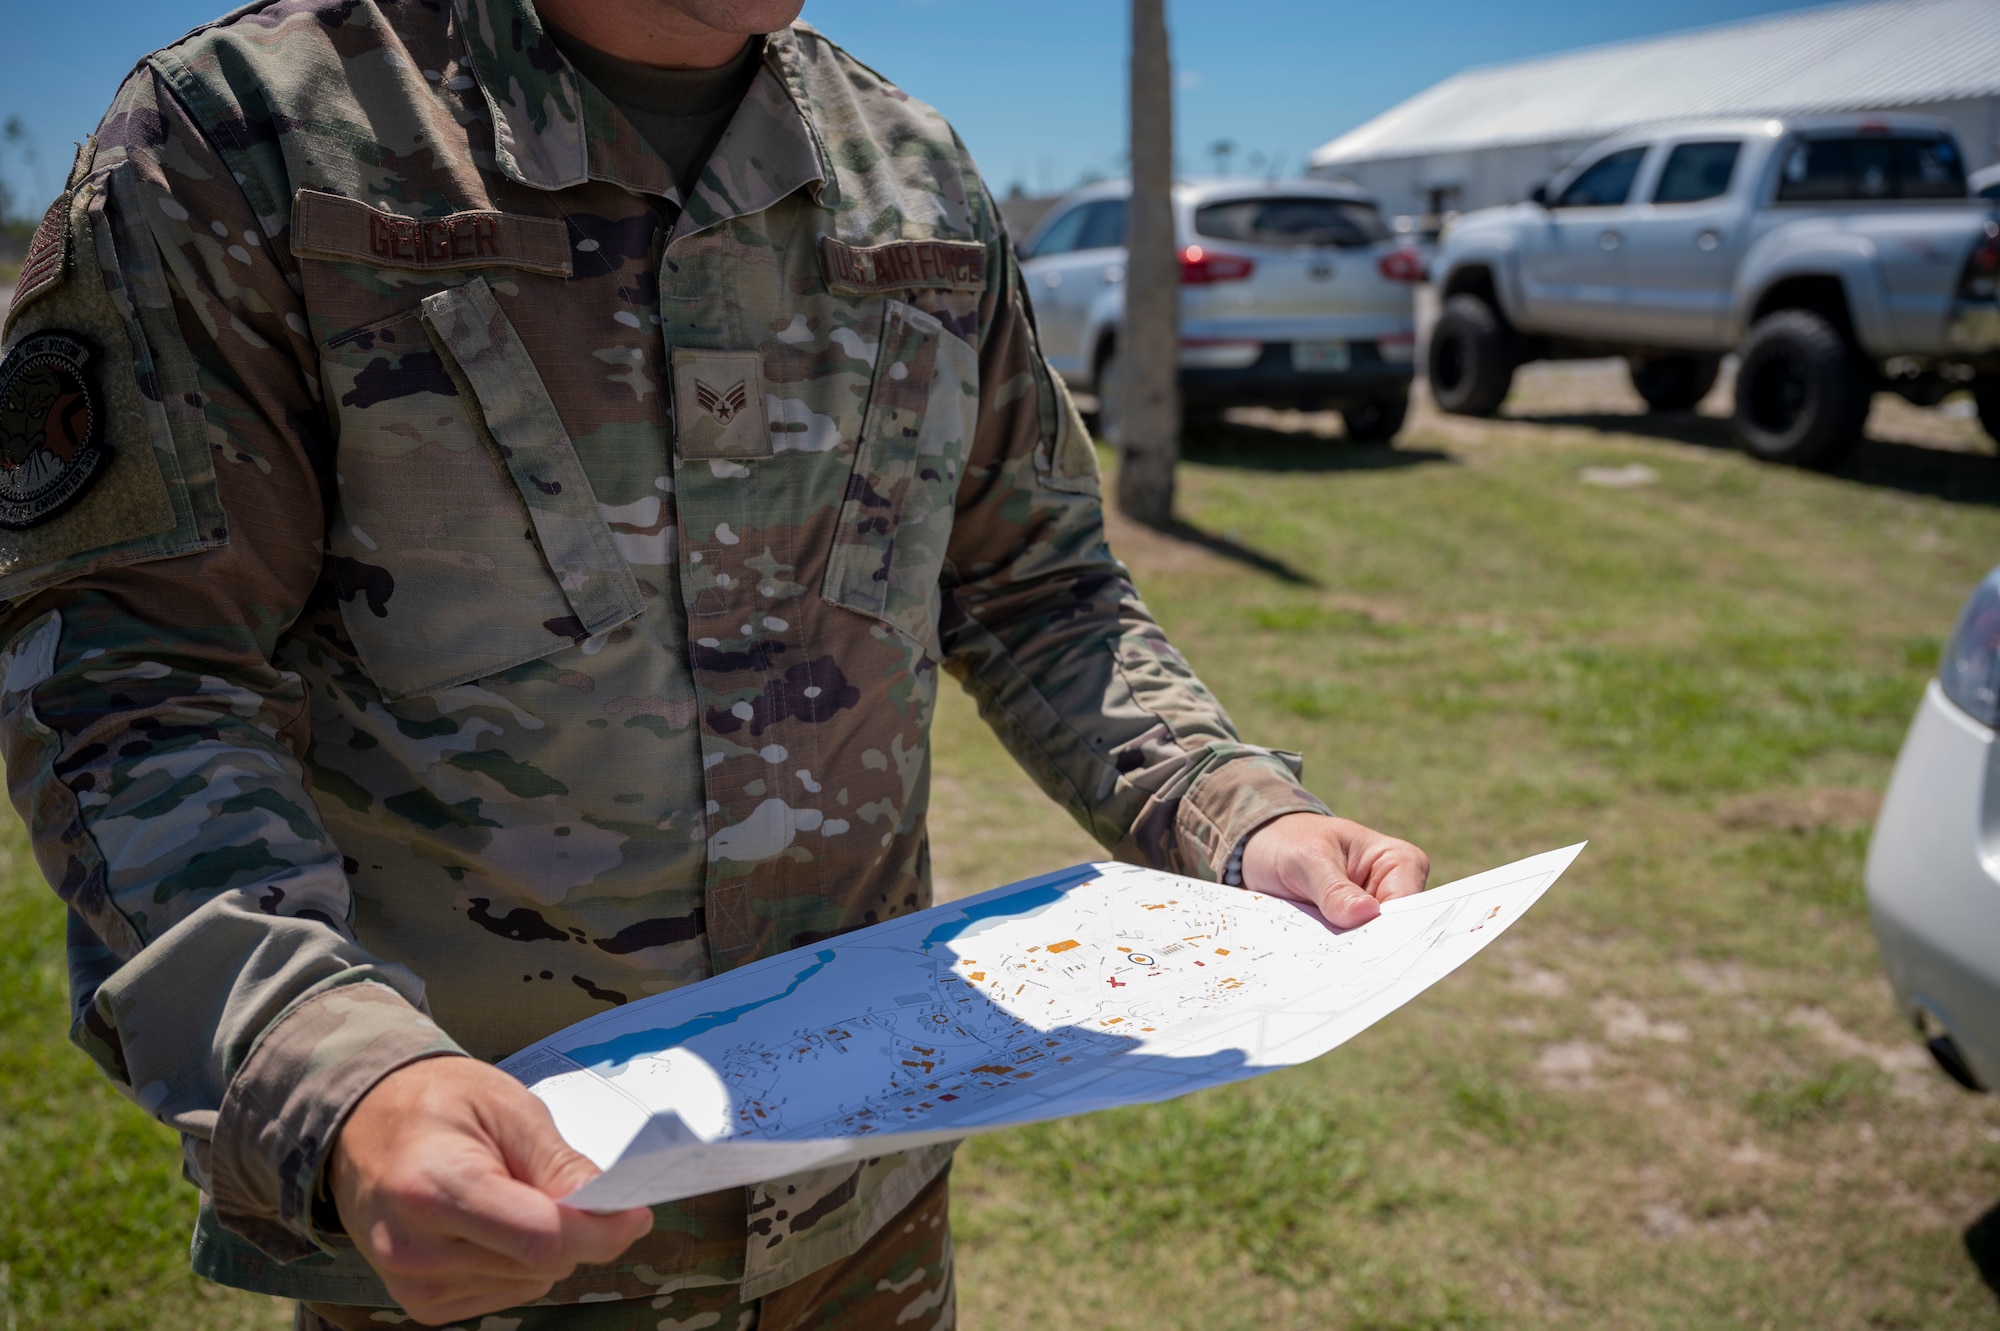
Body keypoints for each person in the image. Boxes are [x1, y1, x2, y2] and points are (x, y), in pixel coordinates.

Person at [0, 0, 1429, 1326]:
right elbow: (130, 677)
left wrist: (1235, 809)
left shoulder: (911, 172)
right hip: (493, 1219)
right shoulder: (248, 140)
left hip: (867, 1211)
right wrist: (333, 1067)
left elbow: (1035, 585)